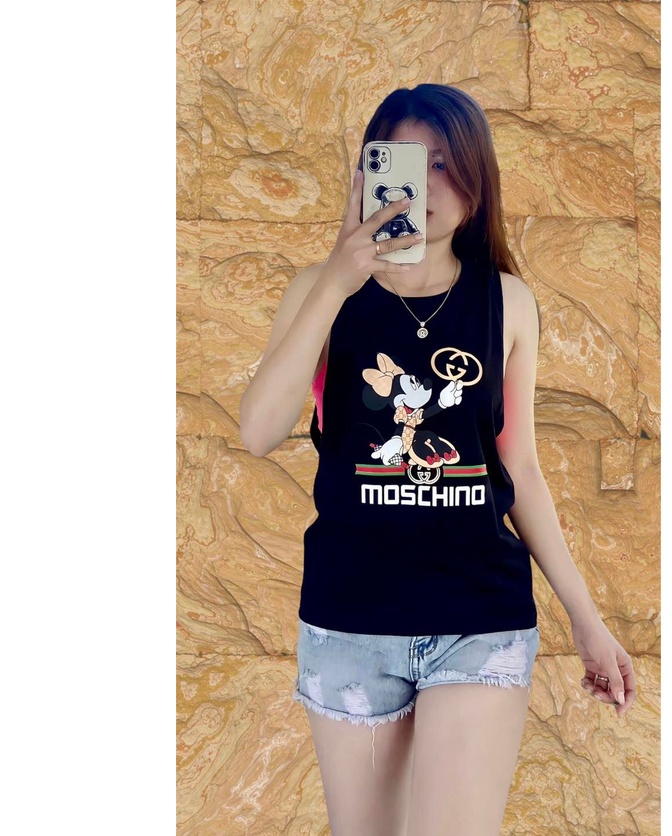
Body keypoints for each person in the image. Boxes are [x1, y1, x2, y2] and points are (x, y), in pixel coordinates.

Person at [239, 84, 636, 836]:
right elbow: (258, 432)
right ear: (370, 174)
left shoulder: (508, 302)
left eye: (446, 165)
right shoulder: (320, 292)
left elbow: (519, 468)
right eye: (406, 164)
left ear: (477, 185)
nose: (425, 185)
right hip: (350, 618)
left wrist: (587, 621)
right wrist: (338, 276)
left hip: (478, 619)